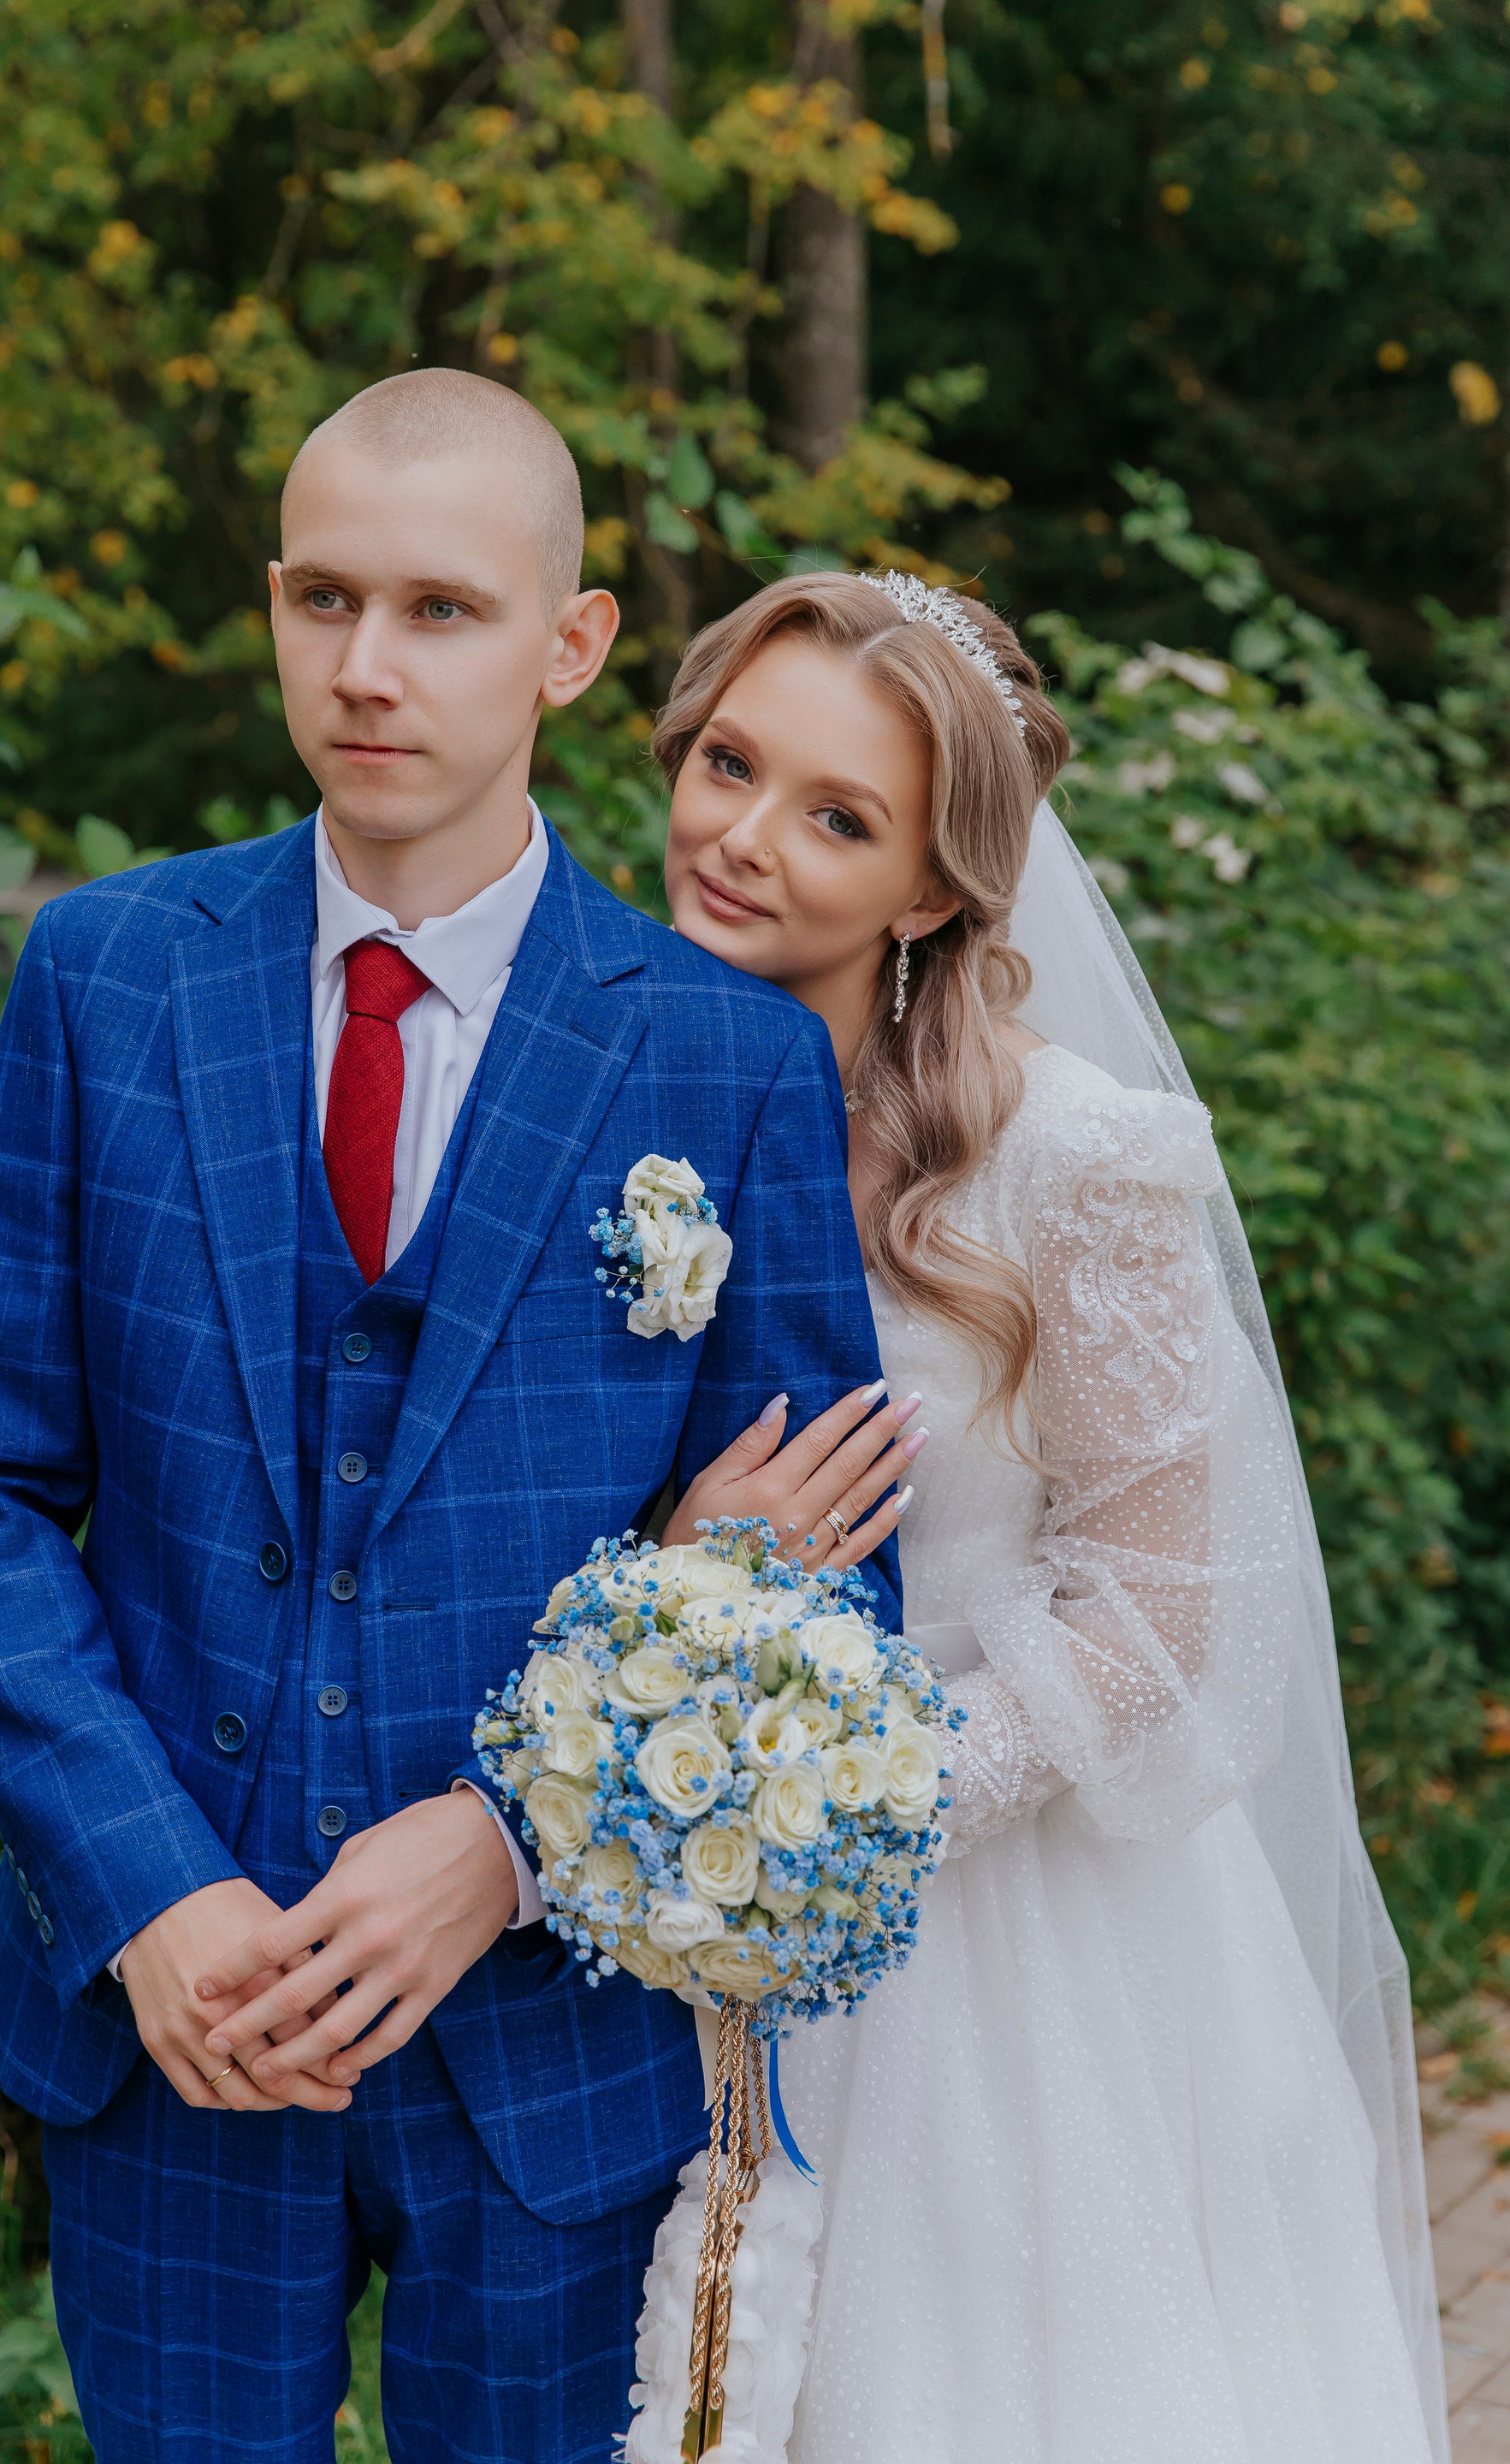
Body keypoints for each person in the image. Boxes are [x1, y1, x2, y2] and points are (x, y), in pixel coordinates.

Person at [0, 373, 909, 2463]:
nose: (366, 665)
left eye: (441, 609)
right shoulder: (105, 976)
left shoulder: (723, 1061)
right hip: (176, 2028)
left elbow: (826, 1604)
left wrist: (512, 1840)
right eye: (322, 598)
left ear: (572, 643)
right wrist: (148, 1889)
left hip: (548, 2065)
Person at [644, 570, 1447, 2463]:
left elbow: (1170, 1611)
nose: (743, 839)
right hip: (672, 1893)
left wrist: (856, 1806)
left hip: (1005, 1939)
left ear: (933, 890)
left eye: (839, 817)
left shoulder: (1071, 1156)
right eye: (730, 765)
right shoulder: (616, 1096)